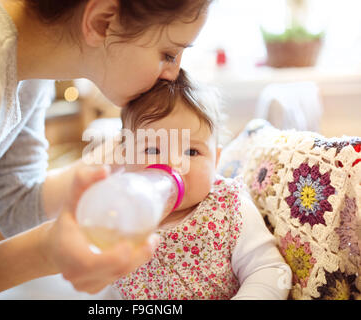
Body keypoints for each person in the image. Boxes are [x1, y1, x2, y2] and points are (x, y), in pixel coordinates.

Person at [0, 0, 211, 299]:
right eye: (168, 54)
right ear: (103, 21)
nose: (173, 73)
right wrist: (45, 252)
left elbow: (15, 206)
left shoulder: (33, 62)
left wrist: (128, 165)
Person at [111, 69, 292, 299]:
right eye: (152, 150)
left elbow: (268, 270)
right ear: (125, 157)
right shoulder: (121, 213)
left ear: (215, 160)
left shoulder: (229, 208)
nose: (173, 163)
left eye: (191, 151)